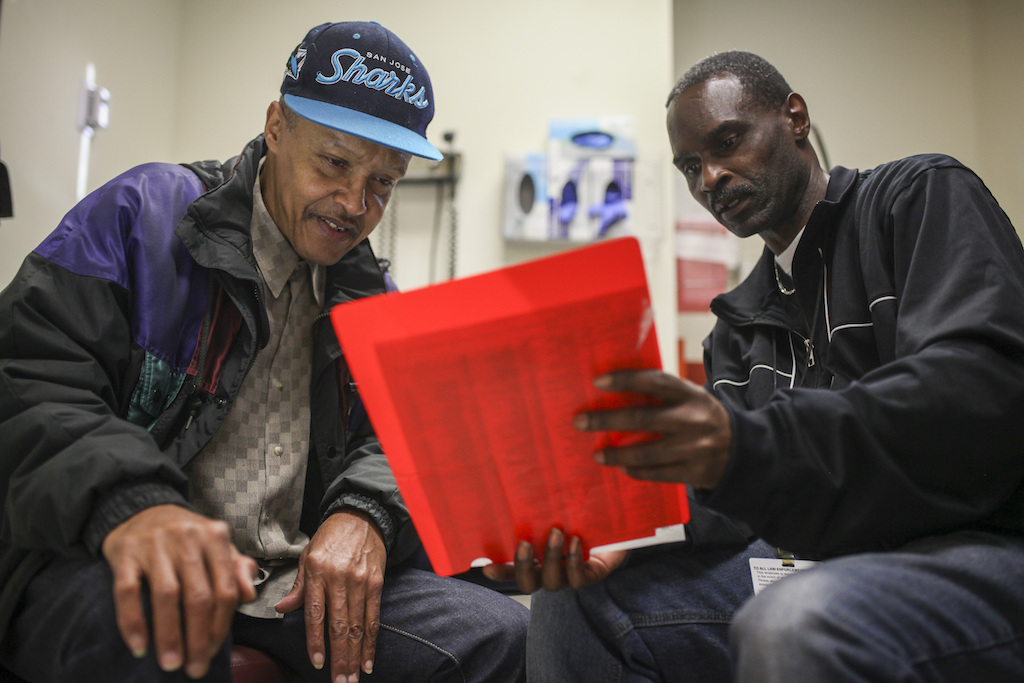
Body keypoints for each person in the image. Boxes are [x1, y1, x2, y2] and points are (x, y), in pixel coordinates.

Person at [0, 20, 528, 683]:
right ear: (277, 125)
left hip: (288, 580)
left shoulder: (372, 292)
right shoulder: (142, 215)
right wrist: (135, 504)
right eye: (335, 163)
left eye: (383, 182)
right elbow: (31, 377)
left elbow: (404, 438)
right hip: (109, 552)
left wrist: (364, 512)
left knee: (502, 634)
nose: (354, 203)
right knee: (153, 639)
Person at [485, 50, 1024, 682]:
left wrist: (748, 443)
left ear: (794, 118)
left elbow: (976, 395)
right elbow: (734, 504)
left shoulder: (915, 199)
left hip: (976, 545)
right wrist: (625, 526)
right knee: (576, 601)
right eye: (690, 166)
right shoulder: (737, 328)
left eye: (729, 141)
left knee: (799, 619)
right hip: (813, 561)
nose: (710, 176)